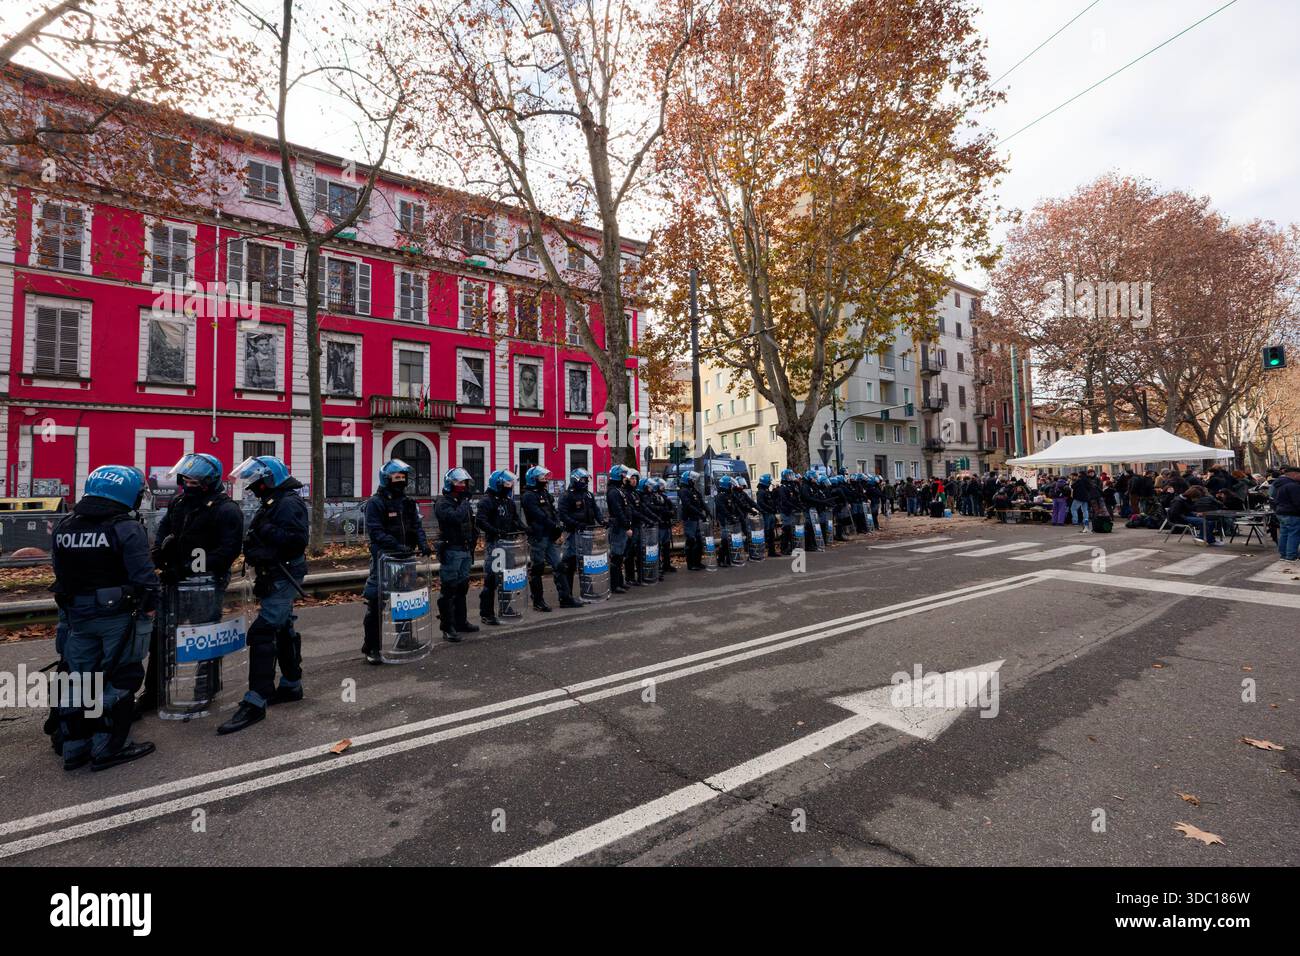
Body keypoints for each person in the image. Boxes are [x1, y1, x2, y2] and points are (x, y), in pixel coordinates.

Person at [51, 465, 159, 771]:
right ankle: (108, 746)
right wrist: (150, 608)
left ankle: (74, 746)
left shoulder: (66, 526)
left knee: (79, 677)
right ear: (127, 494)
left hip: (77, 615)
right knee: (122, 676)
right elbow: (144, 577)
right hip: (118, 615)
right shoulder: (125, 528)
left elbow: (59, 572)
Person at [138, 453, 243, 715]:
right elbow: (163, 529)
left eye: (193, 480)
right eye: (184, 479)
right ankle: (154, 692)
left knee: (203, 639)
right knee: (160, 637)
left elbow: (227, 552)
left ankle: (204, 690)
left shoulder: (227, 509)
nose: (186, 483)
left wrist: (191, 567)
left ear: (208, 481)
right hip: (172, 581)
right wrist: (160, 552)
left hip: (205, 584)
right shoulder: (179, 503)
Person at [219, 456, 308, 735]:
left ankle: (256, 701)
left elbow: (296, 540)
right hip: (275, 575)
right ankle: (292, 685)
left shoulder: (288, 503)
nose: (252, 487)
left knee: (262, 632)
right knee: (283, 627)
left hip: (284, 575)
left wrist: (264, 533)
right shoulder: (274, 500)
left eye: (256, 481)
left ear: (269, 479)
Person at [361, 459, 431, 664]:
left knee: (404, 601)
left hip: (406, 559)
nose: (401, 481)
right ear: (386, 479)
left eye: (403, 477)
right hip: (385, 558)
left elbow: (416, 526)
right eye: (396, 477)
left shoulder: (408, 502)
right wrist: (395, 546)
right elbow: (376, 532)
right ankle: (371, 647)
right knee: (376, 602)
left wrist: (423, 543)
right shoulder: (376, 503)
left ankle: (405, 640)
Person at [521, 466, 583, 609]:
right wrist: (553, 525)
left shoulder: (544, 493)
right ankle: (538, 601)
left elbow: (553, 511)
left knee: (559, 566)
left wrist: (557, 525)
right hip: (538, 536)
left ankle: (565, 598)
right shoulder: (528, 496)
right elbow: (538, 515)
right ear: (533, 479)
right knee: (537, 568)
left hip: (549, 536)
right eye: (542, 478)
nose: (546, 480)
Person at [434, 468, 478, 641]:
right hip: (451, 550)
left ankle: (461, 621)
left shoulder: (461, 502)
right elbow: (454, 518)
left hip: (465, 549)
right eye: (458, 482)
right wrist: (465, 504)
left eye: (464, 483)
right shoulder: (443, 503)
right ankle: (447, 626)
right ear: (449, 483)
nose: (462, 486)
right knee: (449, 589)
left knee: (462, 588)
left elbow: (469, 523)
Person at [477, 469, 523, 623]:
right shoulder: (487, 501)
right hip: (495, 545)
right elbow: (481, 521)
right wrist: (496, 531)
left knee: (507, 578)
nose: (510, 486)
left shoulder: (508, 502)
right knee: (491, 579)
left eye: (511, 483)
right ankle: (487, 613)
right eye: (507, 483)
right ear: (498, 484)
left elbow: (515, 520)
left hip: (509, 544)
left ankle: (506, 608)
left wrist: (523, 528)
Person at [557, 467, 602, 593]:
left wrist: (601, 521)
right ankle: (568, 593)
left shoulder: (588, 494)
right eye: (583, 479)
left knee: (586, 563)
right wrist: (576, 524)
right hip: (573, 534)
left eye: (586, 479)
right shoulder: (567, 495)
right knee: (570, 563)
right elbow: (563, 515)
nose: (585, 482)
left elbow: (596, 510)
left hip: (587, 533)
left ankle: (588, 590)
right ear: (575, 480)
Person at [606, 464, 638, 592]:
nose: (626, 478)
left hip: (621, 527)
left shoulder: (618, 490)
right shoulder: (613, 492)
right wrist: (627, 526)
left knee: (620, 557)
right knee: (616, 557)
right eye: (624, 476)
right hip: (618, 528)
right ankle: (615, 585)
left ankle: (620, 581)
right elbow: (618, 511)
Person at [677, 469, 709, 569]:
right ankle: (691, 564)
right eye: (692, 480)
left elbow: (701, 501)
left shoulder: (693, 490)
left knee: (699, 541)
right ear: (687, 480)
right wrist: (700, 514)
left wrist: (707, 511)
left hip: (695, 519)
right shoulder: (683, 491)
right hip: (689, 519)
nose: (694, 481)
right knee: (691, 540)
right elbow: (688, 505)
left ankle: (697, 562)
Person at [647, 477, 678, 572]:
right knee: (658, 546)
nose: (663, 487)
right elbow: (659, 509)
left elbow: (671, 506)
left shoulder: (663, 496)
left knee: (666, 546)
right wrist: (667, 512)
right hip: (659, 525)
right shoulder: (653, 497)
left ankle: (666, 565)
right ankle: (658, 567)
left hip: (666, 524)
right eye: (661, 485)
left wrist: (672, 512)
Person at [1274, 464, 1300, 562]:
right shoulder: (1293, 486)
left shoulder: (1279, 484)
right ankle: (1291, 555)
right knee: (1294, 534)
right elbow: (1298, 501)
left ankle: (1284, 555)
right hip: (1292, 513)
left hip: (1281, 512)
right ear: (1294, 474)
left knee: (1284, 534)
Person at [777, 469, 802, 554]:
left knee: (792, 530)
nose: (791, 477)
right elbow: (785, 501)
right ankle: (784, 548)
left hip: (792, 511)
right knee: (786, 529)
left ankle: (791, 547)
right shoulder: (782, 488)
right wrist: (794, 506)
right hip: (786, 511)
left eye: (792, 475)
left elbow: (796, 497)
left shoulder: (791, 486)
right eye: (789, 475)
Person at [755, 474, 780, 557]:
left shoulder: (766, 491)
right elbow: (761, 503)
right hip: (766, 515)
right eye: (769, 481)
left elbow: (772, 501)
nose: (770, 482)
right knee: (766, 533)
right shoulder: (761, 492)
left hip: (770, 514)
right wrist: (770, 509)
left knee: (771, 533)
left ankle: (771, 551)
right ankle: (760, 552)